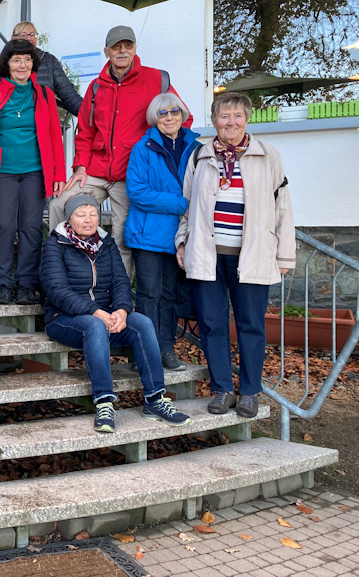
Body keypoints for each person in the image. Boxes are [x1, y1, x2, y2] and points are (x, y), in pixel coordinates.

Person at [176, 92, 295, 418]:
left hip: (252, 254)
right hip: (207, 254)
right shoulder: (200, 155)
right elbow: (186, 206)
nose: (231, 122)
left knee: (251, 325)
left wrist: (285, 255)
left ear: (247, 119)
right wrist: (182, 243)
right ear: (214, 120)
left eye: (237, 116)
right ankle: (222, 389)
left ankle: (250, 392)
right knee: (212, 324)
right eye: (224, 116)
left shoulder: (267, 155)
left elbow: (282, 207)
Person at [49, 25, 192, 277]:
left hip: (131, 175)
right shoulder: (96, 87)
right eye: (116, 46)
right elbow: (85, 131)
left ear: (135, 49)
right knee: (59, 204)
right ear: (107, 52)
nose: (122, 50)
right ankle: (60, 272)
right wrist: (80, 166)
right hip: (96, 170)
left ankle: (119, 296)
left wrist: (154, 160)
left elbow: (181, 119)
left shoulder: (157, 79)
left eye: (127, 45)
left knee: (122, 237)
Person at [42, 194, 192, 433]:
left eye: (93, 214)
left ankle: (154, 399)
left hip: (105, 316)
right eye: (81, 215)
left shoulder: (106, 244)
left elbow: (122, 282)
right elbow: (57, 290)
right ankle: (104, 402)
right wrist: (94, 311)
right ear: (69, 219)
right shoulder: (55, 245)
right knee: (94, 325)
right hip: (64, 319)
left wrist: (122, 310)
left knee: (141, 322)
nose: (88, 220)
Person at [0, 39, 66, 305]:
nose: (22, 65)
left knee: (31, 227)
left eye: (27, 59)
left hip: (36, 172)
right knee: (3, 225)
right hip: (2, 173)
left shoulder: (45, 95)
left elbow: (54, 137)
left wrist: (58, 173)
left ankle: (26, 285)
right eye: (16, 60)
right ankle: (2, 285)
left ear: (33, 63)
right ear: (7, 64)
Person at [124, 93, 200, 371]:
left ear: (183, 114)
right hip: (148, 235)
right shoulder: (143, 148)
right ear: (154, 118)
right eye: (163, 113)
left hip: (179, 235)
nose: (169, 117)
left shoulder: (196, 148)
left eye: (174, 111)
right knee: (148, 295)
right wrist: (182, 204)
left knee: (170, 296)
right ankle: (143, 350)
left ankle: (166, 349)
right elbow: (138, 192)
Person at [10, 22, 82, 116]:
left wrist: (92, 116)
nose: (28, 38)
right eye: (23, 35)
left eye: (32, 35)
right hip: (14, 120)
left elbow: (69, 95)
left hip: (44, 119)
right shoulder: (5, 62)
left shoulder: (49, 61)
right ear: (13, 38)